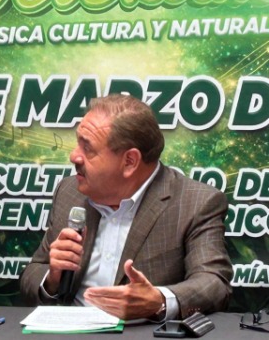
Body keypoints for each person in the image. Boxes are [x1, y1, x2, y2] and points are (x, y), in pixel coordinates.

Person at [20, 94, 232, 321]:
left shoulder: (195, 203)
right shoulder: (69, 192)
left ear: (130, 161)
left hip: (139, 332)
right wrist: (52, 278)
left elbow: (213, 282)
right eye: (77, 142)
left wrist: (159, 301)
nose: (74, 156)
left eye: (87, 147)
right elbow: (33, 272)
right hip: (69, 330)